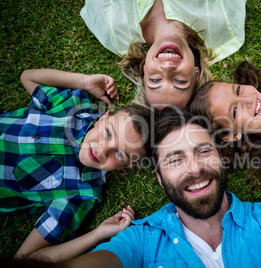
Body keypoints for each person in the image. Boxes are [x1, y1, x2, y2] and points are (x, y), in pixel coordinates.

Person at [10, 110, 261, 267]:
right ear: (160, 179)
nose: (195, 169)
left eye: (203, 152)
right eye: (175, 159)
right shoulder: (142, 243)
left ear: (223, 158)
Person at [0, 69, 153, 260]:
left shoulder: (82, 192)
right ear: (102, 119)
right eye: (108, 133)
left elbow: (26, 258)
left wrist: (98, 234)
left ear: (125, 166)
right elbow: (27, 77)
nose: (102, 149)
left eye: (119, 153)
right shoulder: (75, 106)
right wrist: (86, 81)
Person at [80, 0, 246, 109]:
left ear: (144, 71)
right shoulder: (221, 25)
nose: (167, 67)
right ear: (195, 74)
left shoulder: (114, 31)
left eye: (155, 79)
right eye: (180, 81)